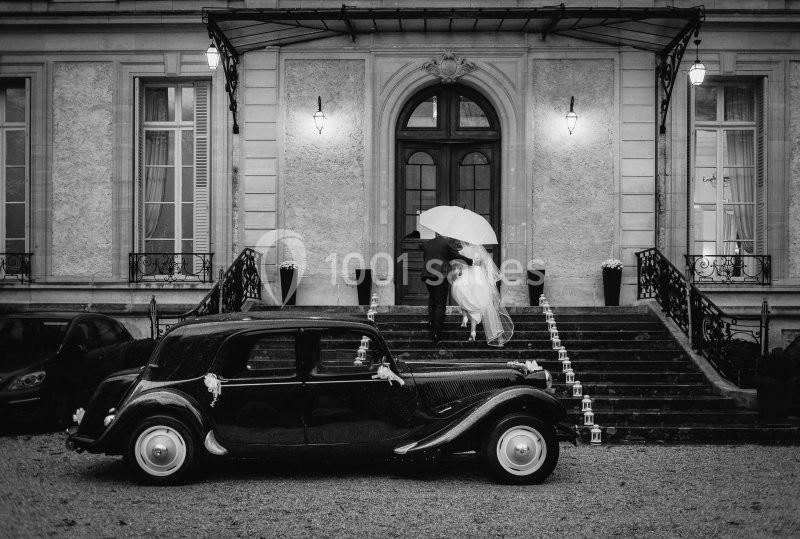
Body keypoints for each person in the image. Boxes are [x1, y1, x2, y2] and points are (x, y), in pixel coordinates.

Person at [450, 243, 514, 346]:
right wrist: (490, 283)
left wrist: (457, 275)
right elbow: (487, 268)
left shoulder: (462, 252)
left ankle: (467, 319)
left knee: (467, 301)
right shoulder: (480, 251)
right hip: (479, 279)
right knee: (484, 306)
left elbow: (457, 270)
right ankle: (492, 335)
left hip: (466, 279)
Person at [421, 235, 474, 344]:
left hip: (427, 275)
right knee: (440, 303)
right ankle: (437, 332)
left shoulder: (428, 243)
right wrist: (470, 261)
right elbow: (456, 255)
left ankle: (431, 323)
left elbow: (426, 258)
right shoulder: (446, 242)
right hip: (441, 275)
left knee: (432, 299)